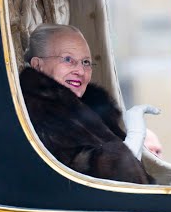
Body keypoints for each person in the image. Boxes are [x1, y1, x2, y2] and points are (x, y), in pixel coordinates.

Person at [19, 23, 159, 184]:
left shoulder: (87, 108)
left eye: (86, 62)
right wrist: (135, 136)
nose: (80, 71)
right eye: (68, 59)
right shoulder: (40, 112)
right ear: (38, 65)